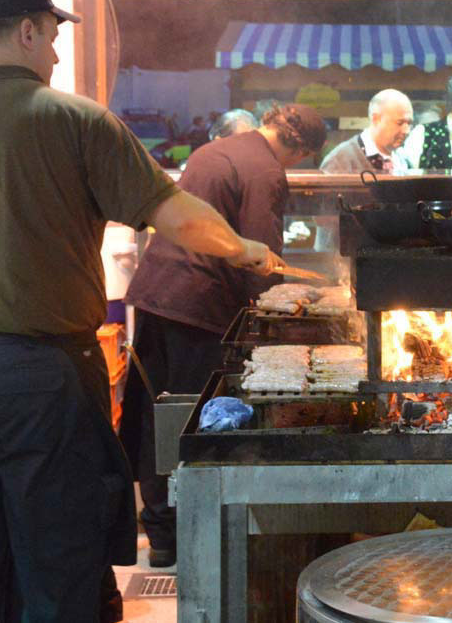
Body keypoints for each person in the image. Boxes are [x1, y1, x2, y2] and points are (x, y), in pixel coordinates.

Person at [0, 0, 282, 623]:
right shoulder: (76, 120)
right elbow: (177, 217)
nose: (57, 54)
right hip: (38, 371)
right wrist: (246, 248)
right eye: (55, 36)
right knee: (58, 554)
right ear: (28, 30)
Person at [122, 103, 327, 567]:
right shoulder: (266, 171)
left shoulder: (216, 148)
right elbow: (261, 256)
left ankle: (160, 534)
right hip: (200, 307)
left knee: (159, 411)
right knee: (198, 420)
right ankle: (196, 536)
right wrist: (279, 318)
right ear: (302, 148)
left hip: (157, 295)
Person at [319, 88, 414, 173]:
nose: (406, 131)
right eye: (400, 123)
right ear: (376, 119)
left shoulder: (403, 159)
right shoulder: (339, 161)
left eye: (409, 123)